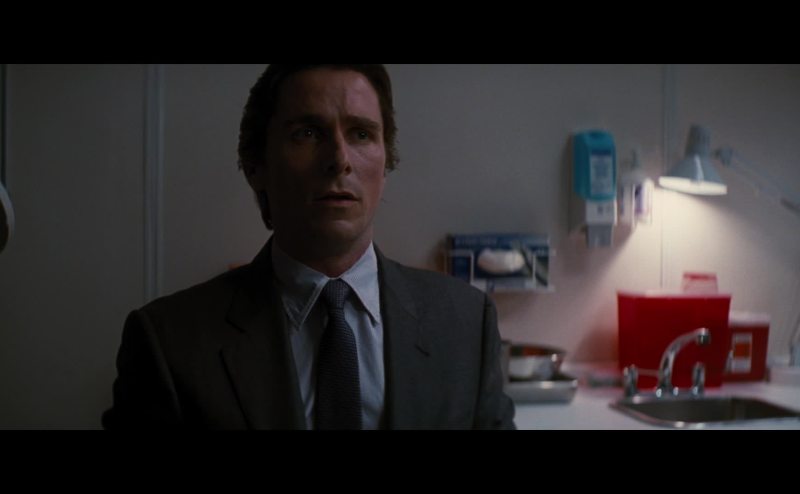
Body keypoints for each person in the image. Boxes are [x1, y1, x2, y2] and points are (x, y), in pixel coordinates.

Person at [103, 64, 515, 430]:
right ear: (256, 165)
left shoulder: (466, 324)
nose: (339, 159)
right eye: (308, 133)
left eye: (361, 133)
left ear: (385, 164)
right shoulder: (169, 342)